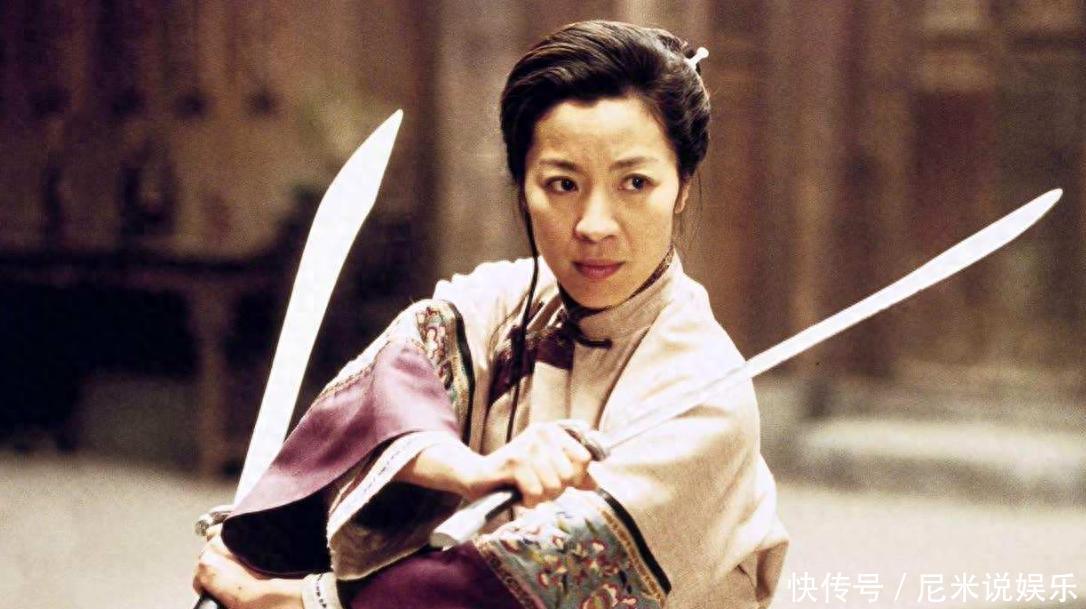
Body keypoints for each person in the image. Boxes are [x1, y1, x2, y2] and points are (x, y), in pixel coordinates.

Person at [194, 20, 788, 609]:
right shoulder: (497, 302)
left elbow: (520, 581)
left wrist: (298, 602)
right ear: (522, 186)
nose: (594, 225)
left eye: (635, 182)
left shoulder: (704, 394)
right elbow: (379, 397)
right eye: (562, 184)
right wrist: (470, 471)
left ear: (681, 186)